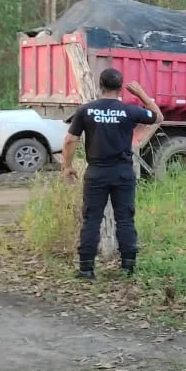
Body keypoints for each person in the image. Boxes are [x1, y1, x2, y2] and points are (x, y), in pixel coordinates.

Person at [61, 68, 162, 278]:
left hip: (97, 172)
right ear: (120, 87)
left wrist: (67, 166)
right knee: (125, 218)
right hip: (123, 173)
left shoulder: (86, 111)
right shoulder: (128, 110)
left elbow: (71, 139)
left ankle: (87, 268)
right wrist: (142, 95)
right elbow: (158, 116)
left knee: (91, 219)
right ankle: (128, 266)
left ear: (100, 85)